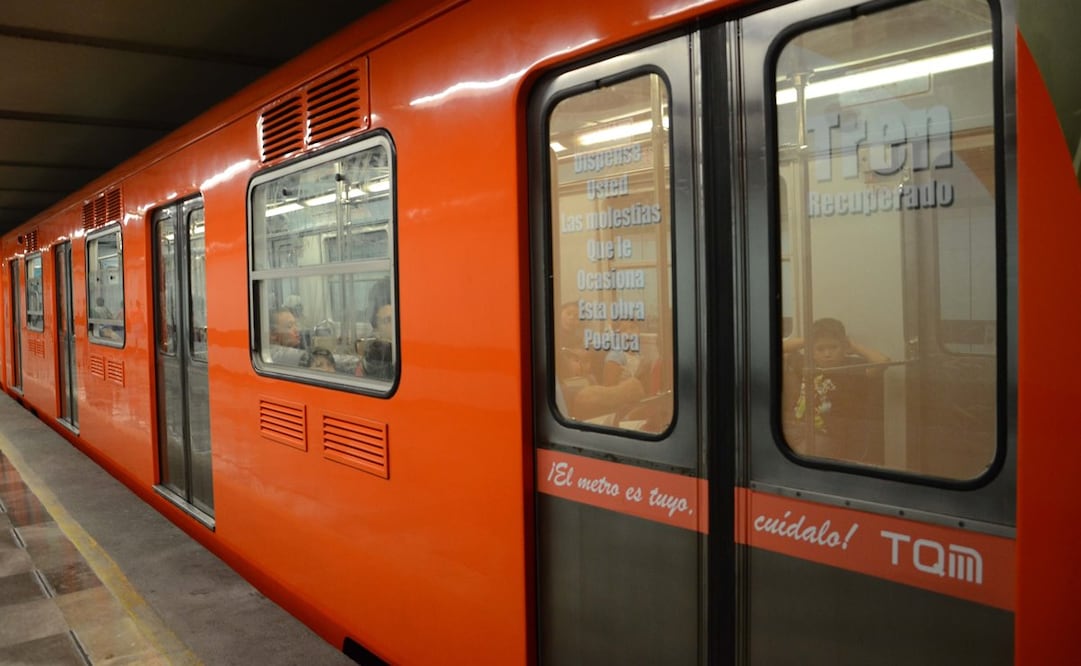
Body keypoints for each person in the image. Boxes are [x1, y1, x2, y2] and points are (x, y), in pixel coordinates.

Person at [782, 317, 889, 461]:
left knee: (796, 458)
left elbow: (882, 362)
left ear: (844, 347)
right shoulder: (806, 364)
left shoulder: (850, 368)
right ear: (811, 351)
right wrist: (808, 340)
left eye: (833, 347)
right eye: (820, 349)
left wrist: (854, 346)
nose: (827, 354)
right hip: (799, 427)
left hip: (828, 434)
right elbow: (779, 348)